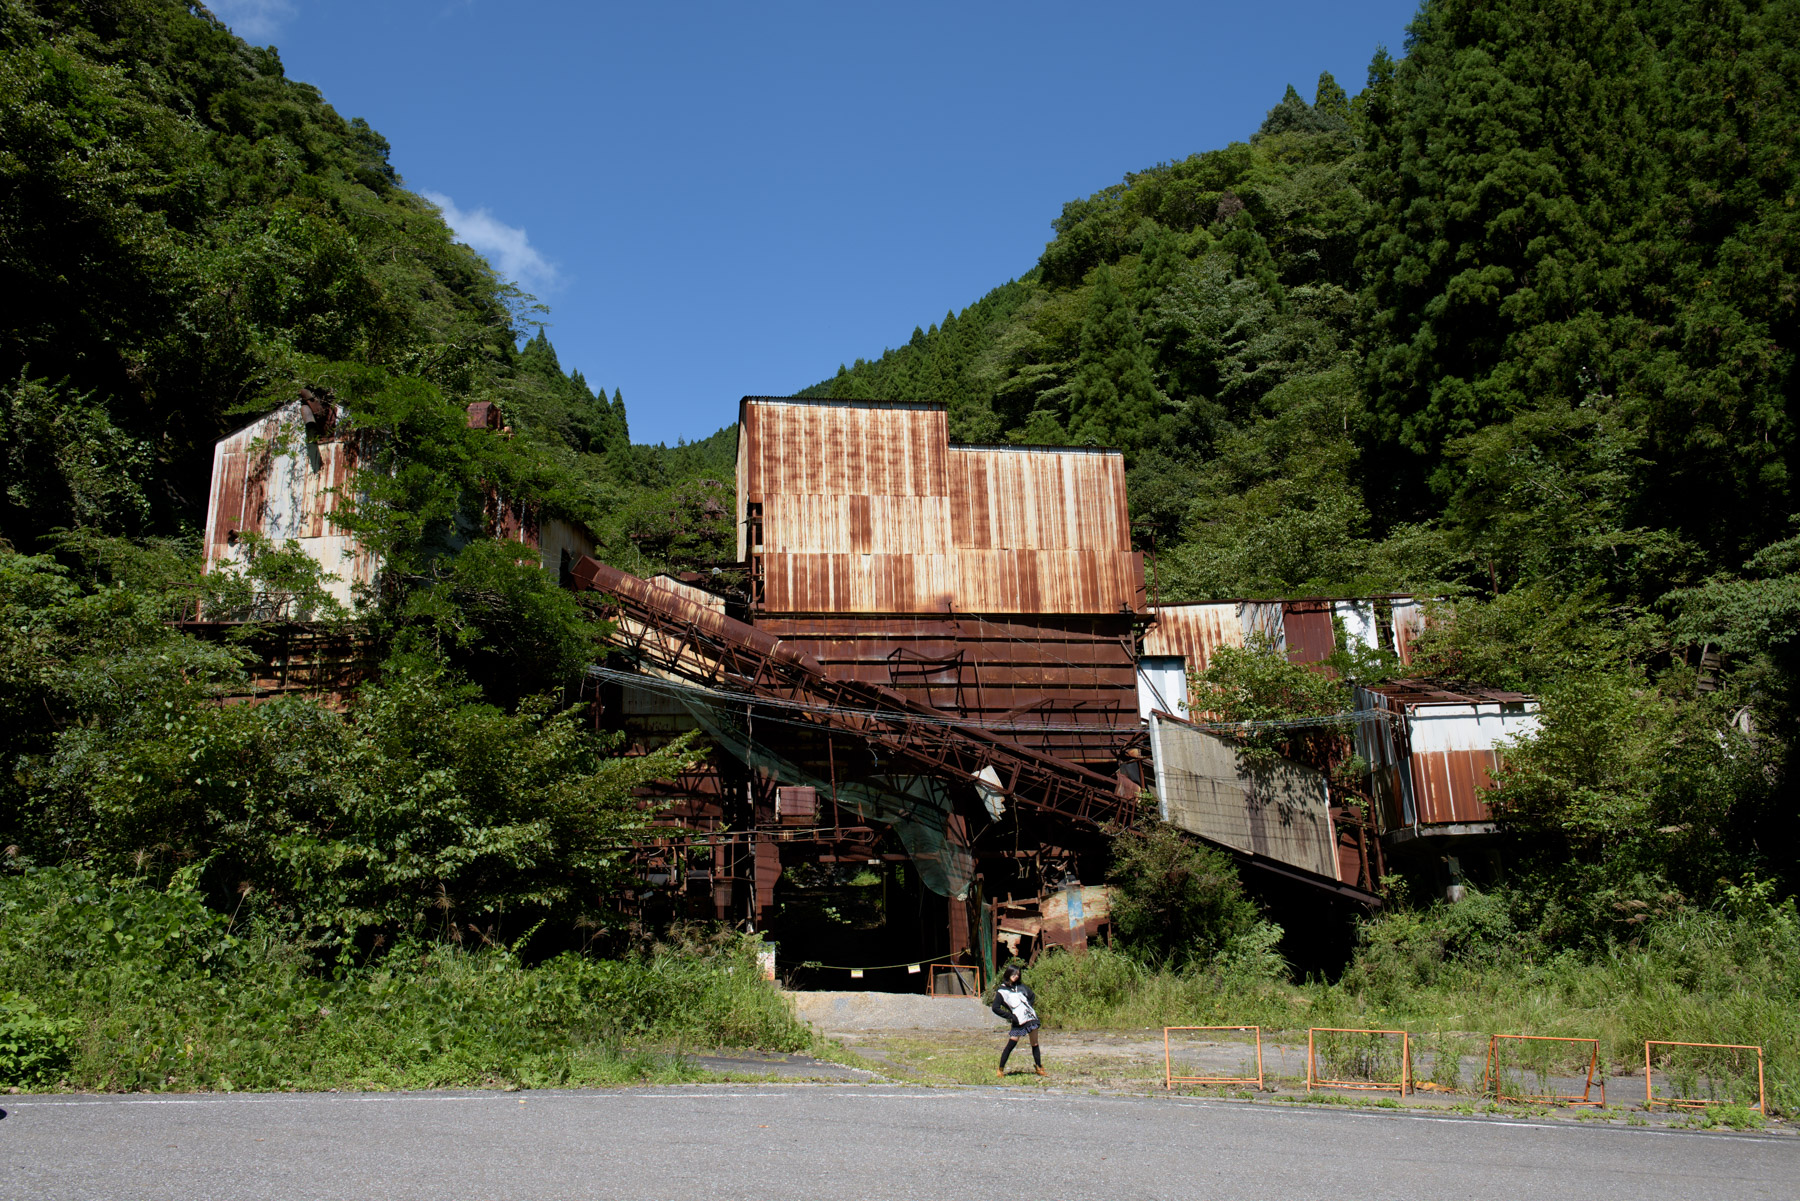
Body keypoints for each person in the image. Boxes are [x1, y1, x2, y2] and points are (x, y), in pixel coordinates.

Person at [991, 965, 1044, 1077]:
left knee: (1034, 1043)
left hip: (1031, 1018)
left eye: (1017, 975)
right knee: (1011, 1044)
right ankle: (1000, 1069)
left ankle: (1039, 1067)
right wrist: (1011, 1016)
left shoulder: (1021, 987)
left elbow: (1032, 996)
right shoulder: (1002, 991)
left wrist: (1028, 1007)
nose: (1015, 977)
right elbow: (995, 1007)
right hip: (1017, 1020)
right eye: (1013, 974)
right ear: (1008, 974)